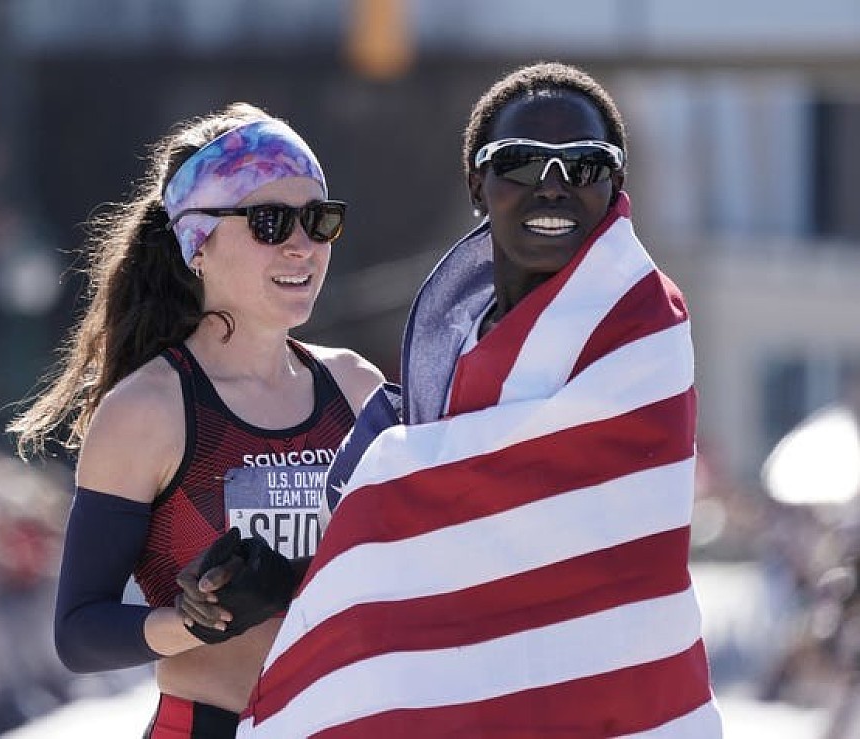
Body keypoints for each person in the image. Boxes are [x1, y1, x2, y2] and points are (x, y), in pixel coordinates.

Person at [225, 62, 724, 736]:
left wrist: (395, 467)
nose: (553, 185)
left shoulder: (644, 332)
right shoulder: (439, 367)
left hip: (616, 705)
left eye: (585, 165)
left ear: (616, 187)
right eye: (519, 162)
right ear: (476, 185)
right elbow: (413, 554)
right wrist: (279, 578)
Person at [7, 103, 384, 738]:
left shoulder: (356, 387)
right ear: (197, 242)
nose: (302, 245)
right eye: (270, 222)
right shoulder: (150, 409)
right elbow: (79, 631)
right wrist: (196, 621)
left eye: (319, 220)